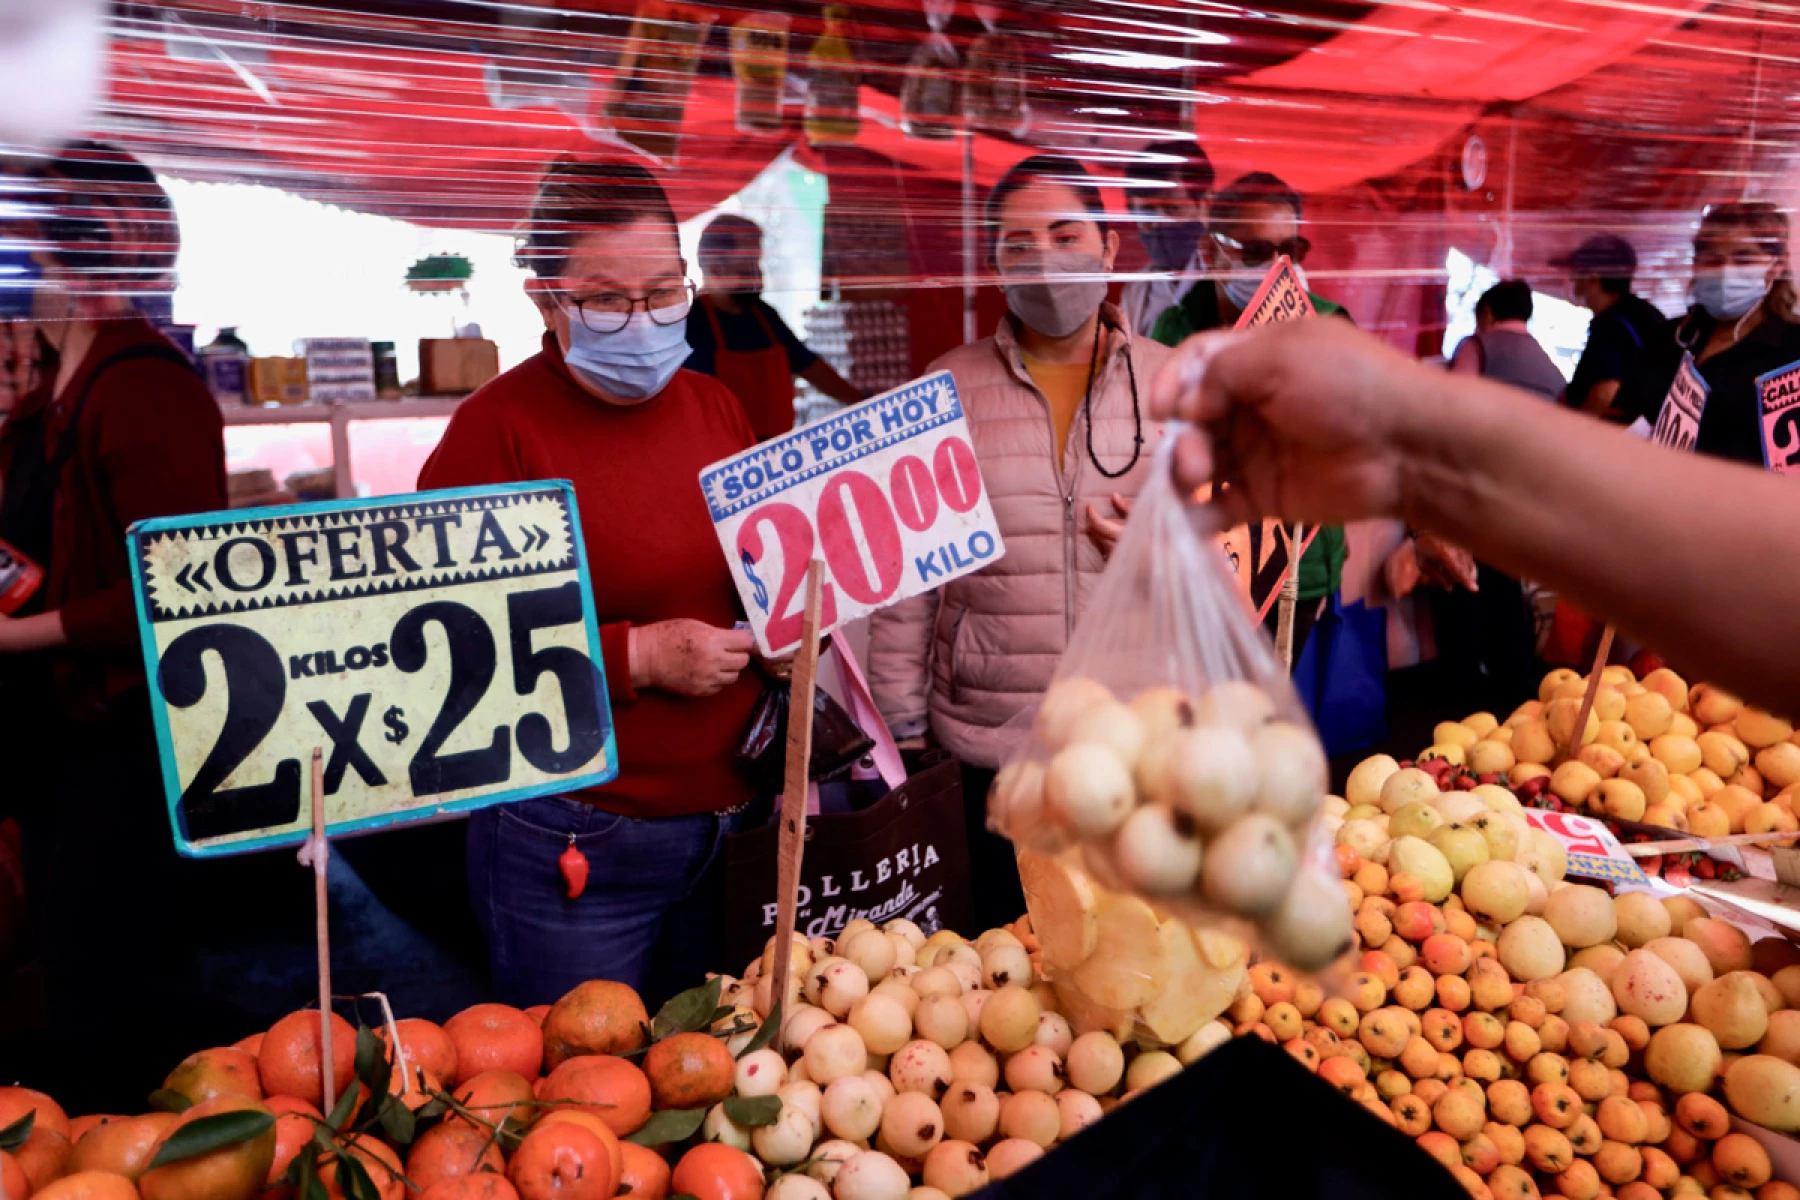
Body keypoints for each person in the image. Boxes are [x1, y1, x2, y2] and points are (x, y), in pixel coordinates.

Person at [418, 159, 775, 1007]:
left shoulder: (714, 407)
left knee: (728, 1093)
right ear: (545, 298)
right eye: (609, 300)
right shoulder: (492, 435)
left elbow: (766, 567)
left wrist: (796, 626)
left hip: (740, 824)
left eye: (665, 292)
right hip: (575, 839)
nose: (644, 320)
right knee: (583, 1104)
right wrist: (635, 658)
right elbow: (444, 655)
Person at [1148, 316, 1800, 717]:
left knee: (1481, 604)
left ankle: (1479, 675)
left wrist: (1415, 443)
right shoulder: (1636, 342)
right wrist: (1412, 448)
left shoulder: (1477, 349)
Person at [867, 154, 1170, 932]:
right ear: (995, 263)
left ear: (1110, 249)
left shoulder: (1172, 387)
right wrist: (902, 726)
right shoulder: (946, 386)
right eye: (1019, 243)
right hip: (989, 743)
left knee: (1131, 953)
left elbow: (1230, 559)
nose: (1045, 260)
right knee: (1006, 964)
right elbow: (910, 579)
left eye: (1067, 236)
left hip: (1139, 742)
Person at [1147, 170, 1347, 662]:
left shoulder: (1326, 325)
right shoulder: (1172, 331)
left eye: (1291, 251)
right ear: (1211, 252)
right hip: (1199, 566)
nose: (1278, 267)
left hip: (1294, 570)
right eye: (1256, 252)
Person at [1616, 201, 1800, 466]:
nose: (1726, 271)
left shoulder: (1792, 350)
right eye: (1712, 258)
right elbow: (1624, 416)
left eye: (1744, 258)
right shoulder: (1669, 338)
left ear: (1776, 265)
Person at [687, 213, 863, 441]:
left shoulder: (764, 316)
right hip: (722, 457)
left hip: (776, 456)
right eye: (747, 266)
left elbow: (812, 367)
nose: (757, 274)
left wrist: (863, 403)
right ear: (714, 267)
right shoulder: (691, 326)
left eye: (757, 263)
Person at [1556, 234, 1669, 419]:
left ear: (1593, 276)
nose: (1572, 277)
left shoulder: (1612, 326)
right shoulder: (1641, 314)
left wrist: (1572, 434)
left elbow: (1605, 394)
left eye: (1577, 270)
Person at [1119, 140, 1214, 337]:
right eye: (1146, 212)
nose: (1158, 224)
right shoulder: (1136, 292)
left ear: (1206, 205)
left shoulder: (1231, 279)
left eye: (1172, 209)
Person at [1448, 280, 1567, 400]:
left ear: (1487, 313)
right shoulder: (1550, 369)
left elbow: (1458, 400)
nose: (1476, 329)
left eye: (1477, 322)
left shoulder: (1475, 347)